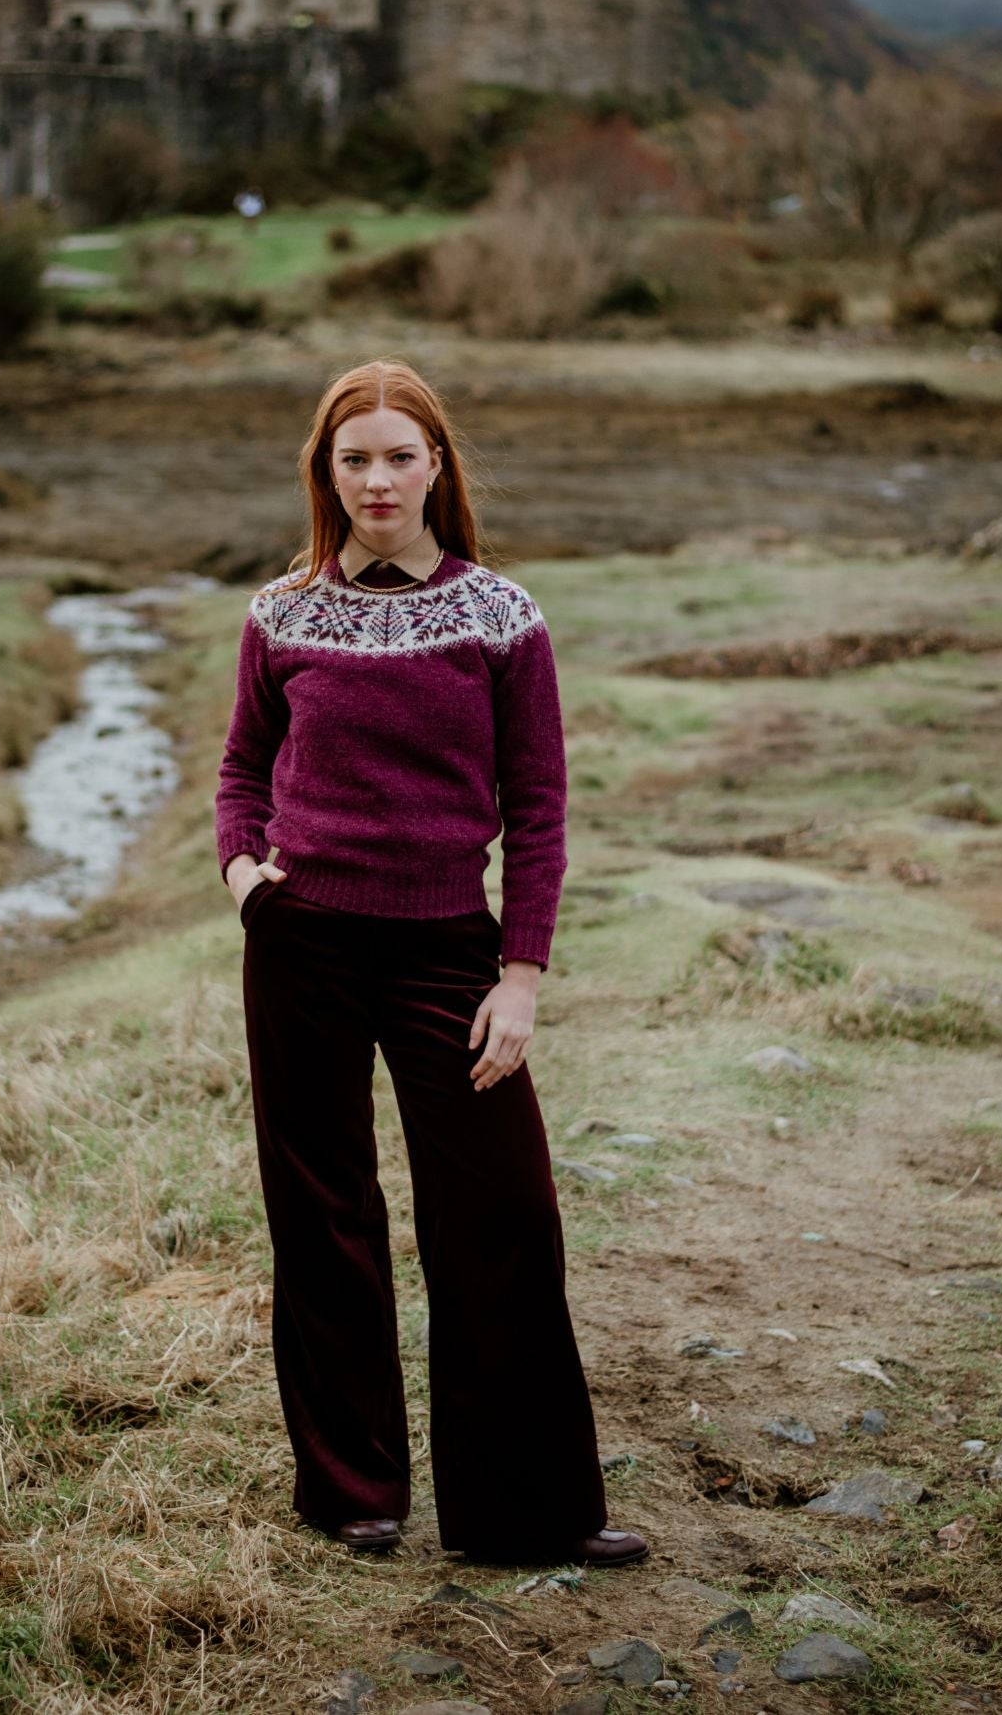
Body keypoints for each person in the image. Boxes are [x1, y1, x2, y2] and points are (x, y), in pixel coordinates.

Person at [214, 356, 648, 1567]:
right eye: (353, 458)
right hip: (300, 945)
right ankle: (356, 1490)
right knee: (323, 1214)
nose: (377, 478)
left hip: (445, 950)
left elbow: (540, 807)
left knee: (499, 1211)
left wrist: (520, 976)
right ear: (326, 474)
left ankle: (524, 1512)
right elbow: (241, 768)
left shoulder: (500, 615)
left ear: (436, 467)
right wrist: (248, 877)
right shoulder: (279, 612)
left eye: (400, 455)